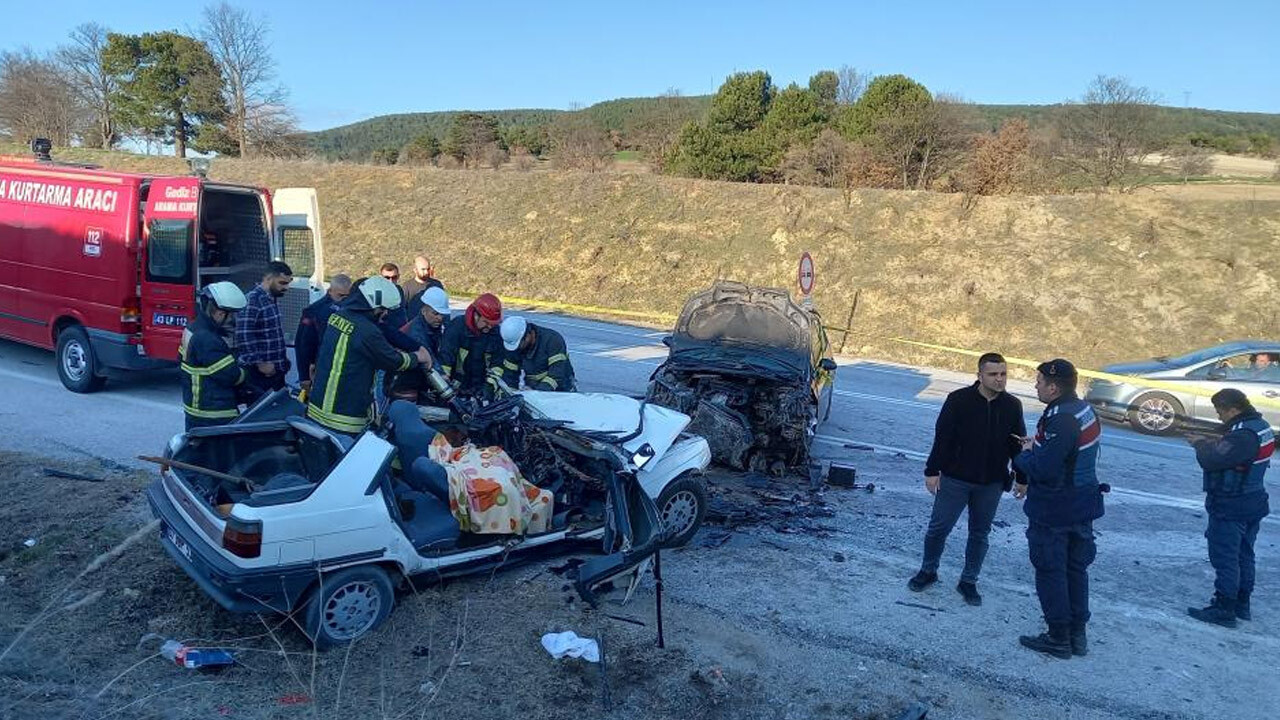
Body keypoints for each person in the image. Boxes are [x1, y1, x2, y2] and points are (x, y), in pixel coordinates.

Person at [908, 352, 1025, 606]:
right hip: (955, 479)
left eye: (1003, 374)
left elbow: (1018, 445)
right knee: (938, 528)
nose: (999, 379)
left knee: (980, 534)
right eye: (993, 374)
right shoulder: (958, 400)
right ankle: (928, 571)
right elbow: (943, 438)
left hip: (992, 483)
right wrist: (932, 471)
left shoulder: (1012, 405)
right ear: (979, 375)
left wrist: (1022, 477)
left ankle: (969, 581)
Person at [1012, 359, 1105, 659]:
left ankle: (1058, 638)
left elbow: (1045, 469)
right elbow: (1067, 454)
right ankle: (1077, 636)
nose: (1035, 385)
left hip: (1056, 509)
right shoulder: (1082, 409)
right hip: (1081, 504)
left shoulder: (1062, 418)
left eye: (1039, 381)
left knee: (1052, 571)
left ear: (1053, 386)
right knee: (1075, 570)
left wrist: (1021, 456)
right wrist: (1039, 444)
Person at [1186, 388, 1272, 627]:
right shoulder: (1259, 426)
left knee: (1225, 557)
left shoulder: (1243, 435)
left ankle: (1224, 608)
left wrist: (1200, 444)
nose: (1219, 416)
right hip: (1252, 501)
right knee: (1245, 554)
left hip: (1231, 505)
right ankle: (1242, 604)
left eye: (1220, 411)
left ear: (1232, 409)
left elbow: (1212, 460)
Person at [306, 276, 431, 436]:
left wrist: (413, 345)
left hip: (316, 409)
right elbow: (394, 361)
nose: (385, 313)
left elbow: (385, 330)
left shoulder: (340, 316)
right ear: (374, 304)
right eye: (384, 309)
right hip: (343, 419)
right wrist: (418, 357)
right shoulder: (366, 331)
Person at [179, 282, 249, 430]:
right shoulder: (208, 339)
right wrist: (246, 371)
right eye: (231, 315)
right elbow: (231, 376)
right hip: (214, 414)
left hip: (196, 411)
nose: (232, 320)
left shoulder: (192, 328)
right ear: (220, 313)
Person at [236, 261, 293, 394]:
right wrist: (260, 364)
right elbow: (244, 334)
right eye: (282, 283)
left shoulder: (271, 299)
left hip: (275, 370)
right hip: (260, 373)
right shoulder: (253, 300)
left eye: (288, 283)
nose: (286, 287)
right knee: (262, 412)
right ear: (268, 279)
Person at [391, 287, 452, 402]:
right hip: (399, 382)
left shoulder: (435, 326)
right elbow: (428, 359)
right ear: (424, 310)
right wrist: (442, 377)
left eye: (442, 314)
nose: (440, 318)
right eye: (436, 313)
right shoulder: (415, 332)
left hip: (415, 378)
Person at [437, 293, 505, 396]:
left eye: (493, 324)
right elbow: (446, 358)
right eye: (486, 322)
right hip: (456, 386)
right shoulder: (456, 327)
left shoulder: (495, 333)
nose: (490, 327)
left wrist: (489, 386)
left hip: (481, 387)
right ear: (476, 315)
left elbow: (498, 364)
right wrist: (445, 384)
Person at [295, 274, 352, 391]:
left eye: (348, 296)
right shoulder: (314, 311)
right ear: (330, 291)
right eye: (340, 296)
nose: (344, 300)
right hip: (320, 366)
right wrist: (304, 376)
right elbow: (303, 343)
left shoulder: (351, 309)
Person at [497, 316, 577, 392]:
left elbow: (557, 373)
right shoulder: (514, 344)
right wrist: (511, 394)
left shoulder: (552, 340)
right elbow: (510, 375)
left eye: (520, 344)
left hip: (563, 390)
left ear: (528, 335)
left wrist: (537, 392)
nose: (518, 348)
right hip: (533, 389)